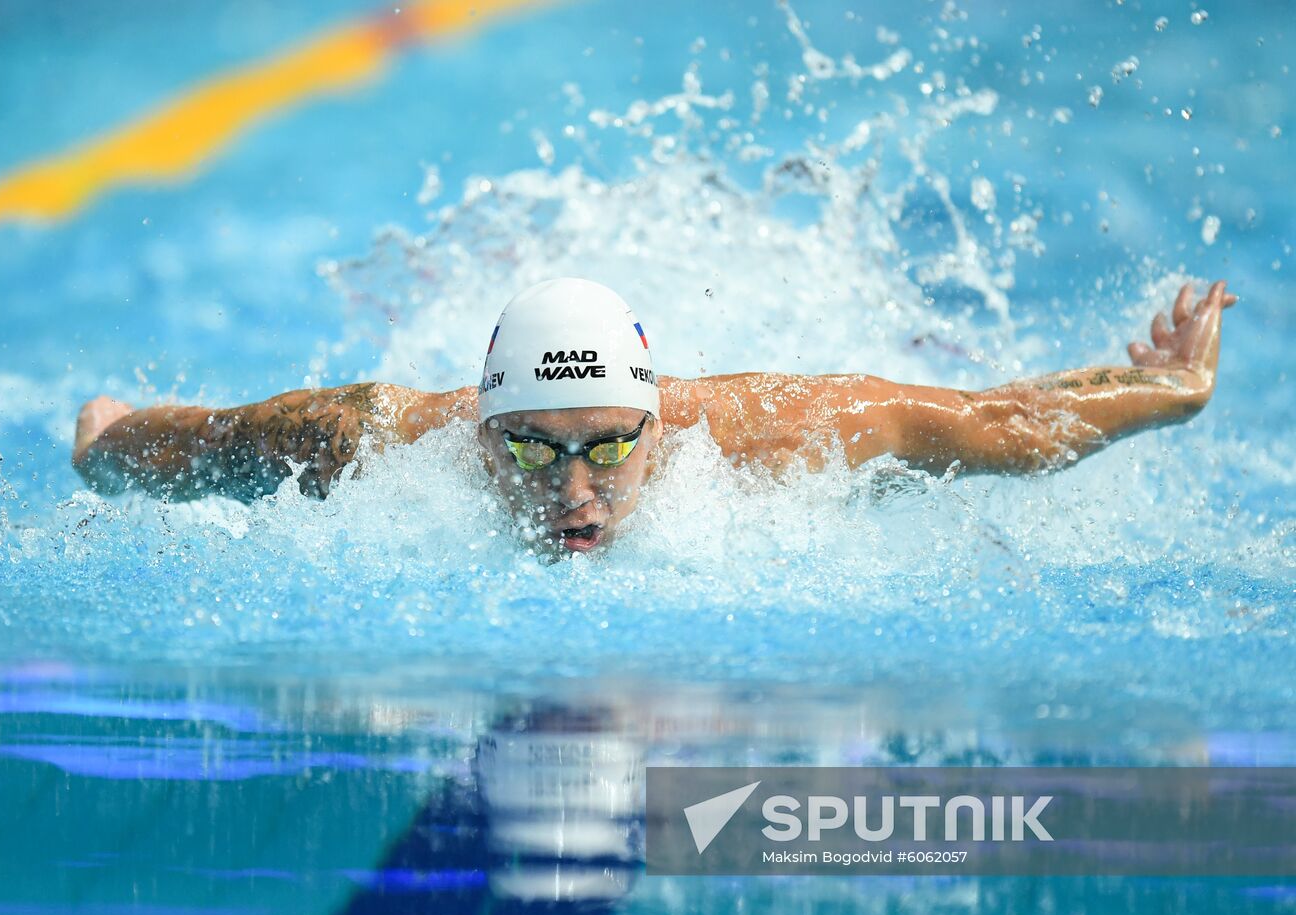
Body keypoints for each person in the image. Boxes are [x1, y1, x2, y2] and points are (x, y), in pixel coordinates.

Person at [72, 276, 1236, 553]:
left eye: (608, 449)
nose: (572, 494)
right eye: (531, 450)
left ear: (660, 429)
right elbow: (205, 442)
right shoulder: (378, 441)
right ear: (479, 431)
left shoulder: (780, 433)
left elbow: (992, 426)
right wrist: (107, 444)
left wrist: (1157, 390)